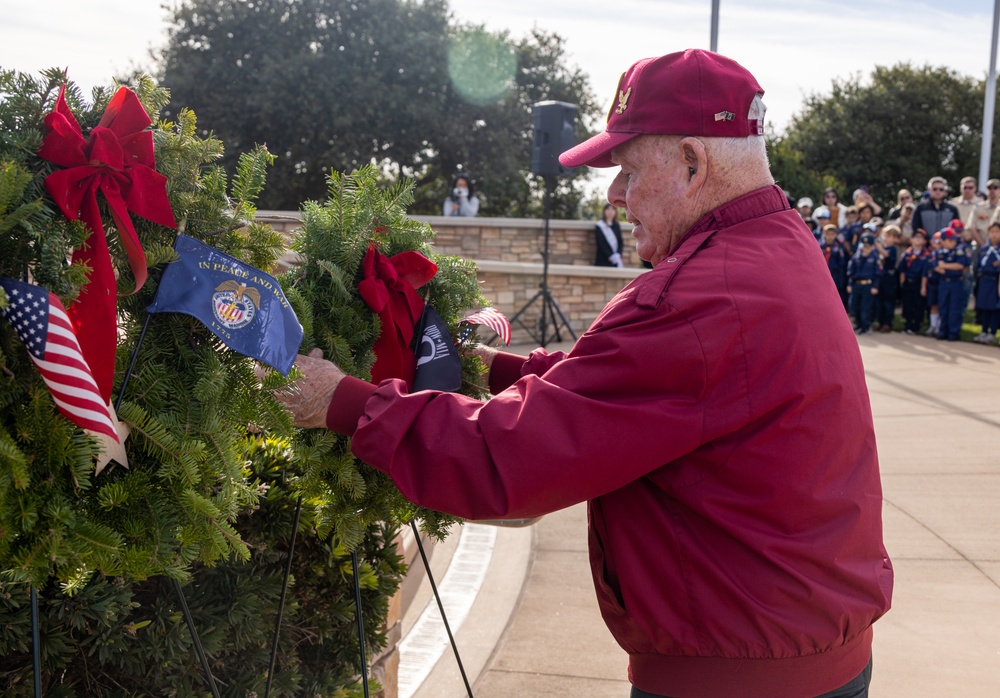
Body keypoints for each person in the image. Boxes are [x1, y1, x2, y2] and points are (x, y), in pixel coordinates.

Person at [276, 49, 892, 698]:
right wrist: (498, 369)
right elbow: (643, 387)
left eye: (626, 170)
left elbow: (506, 459)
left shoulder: (699, 298)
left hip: (737, 676)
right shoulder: (777, 246)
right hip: (806, 647)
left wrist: (340, 401)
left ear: (692, 162)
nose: (614, 196)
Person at [934, 227, 972, 341]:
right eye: (950, 240)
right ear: (943, 241)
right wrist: (949, 268)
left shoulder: (958, 251)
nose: (953, 242)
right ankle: (942, 331)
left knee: (955, 308)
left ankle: (953, 333)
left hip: (956, 283)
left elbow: (960, 266)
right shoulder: (939, 252)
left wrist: (945, 266)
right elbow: (936, 267)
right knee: (943, 307)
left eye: (954, 240)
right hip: (943, 282)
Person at [848, 231, 883, 334]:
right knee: (854, 306)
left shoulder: (875, 257)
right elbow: (851, 272)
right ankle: (858, 325)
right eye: (864, 246)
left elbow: (878, 274)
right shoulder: (856, 257)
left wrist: (875, 286)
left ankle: (866, 326)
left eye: (868, 246)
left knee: (865, 307)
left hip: (868, 285)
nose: (866, 248)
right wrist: (850, 284)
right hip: (857, 285)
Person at [973, 222, 1000, 343]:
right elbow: (978, 265)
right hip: (984, 280)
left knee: (994, 308)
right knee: (983, 307)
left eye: (997, 232)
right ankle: (984, 331)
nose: (994, 235)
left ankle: (993, 332)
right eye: (992, 232)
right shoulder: (984, 249)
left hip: (996, 281)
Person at [874, 224, 901, 332]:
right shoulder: (884, 248)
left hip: (889, 278)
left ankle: (887, 323)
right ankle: (880, 322)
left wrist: (875, 244)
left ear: (895, 239)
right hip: (881, 277)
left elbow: (885, 255)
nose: (885, 238)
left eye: (889, 236)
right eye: (885, 236)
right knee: (879, 302)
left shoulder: (893, 249)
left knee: (888, 301)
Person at [820, 222, 849, 308]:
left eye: (832, 234)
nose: (830, 236)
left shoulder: (839, 248)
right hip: (822, 274)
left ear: (836, 235)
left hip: (835, 274)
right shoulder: (820, 246)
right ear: (824, 234)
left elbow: (842, 264)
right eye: (827, 234)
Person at [965, 178, 1000, 247]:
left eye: (995, 188)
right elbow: (971, 228)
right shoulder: (978, 207)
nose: (992, 190)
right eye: (989, 188)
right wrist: (984, 246)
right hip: (979, 246)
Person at [594, 203, 625, 267]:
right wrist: (610, 256)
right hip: (603, 260)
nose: (610, 212)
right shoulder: (600, 225)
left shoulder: (616, 225)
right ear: (604, 211)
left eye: (612, 209)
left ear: (615, 211)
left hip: (615, 260)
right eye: (608, 209)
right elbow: (601, 244)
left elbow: (620, 242)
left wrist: (618, 255)